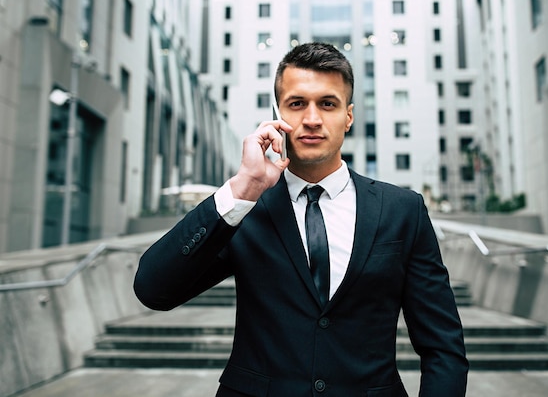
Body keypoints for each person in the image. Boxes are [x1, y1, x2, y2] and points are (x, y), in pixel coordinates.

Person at [134, 42, 468, 396]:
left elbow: (443, 348)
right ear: (277, 115)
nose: (311, 118)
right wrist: (241, 188)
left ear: (348, 116)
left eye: (328, 104)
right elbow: (154, 290)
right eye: (297, 104)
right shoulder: (245, 208)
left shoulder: (404, 210)